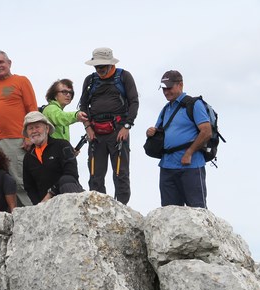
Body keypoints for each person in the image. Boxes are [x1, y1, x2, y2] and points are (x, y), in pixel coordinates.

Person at [79, 47, 139, 205]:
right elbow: (83, 106)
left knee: (120, 173)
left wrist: (127, 126)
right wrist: (88, 127)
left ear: (111, 64)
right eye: (96, 67)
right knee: (95, 174)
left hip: (118, 130)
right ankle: (99, 208)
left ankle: (122, 208)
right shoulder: (90, 80)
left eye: (102, 67)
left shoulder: (124, 77)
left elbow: (134, 102)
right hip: (95, 132)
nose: (99, 70)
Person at [146, 71, 212, 208]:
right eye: (163, 89)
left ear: (180, 85)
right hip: (167, 166)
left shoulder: (194, 104)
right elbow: (160, 132)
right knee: (169, 213)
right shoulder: (166, 109)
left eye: (169, 88)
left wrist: (189, 153)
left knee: (197, 210)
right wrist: (150, 132)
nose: (166, 92)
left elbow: (206, 131)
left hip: (191, 166)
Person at [0, 50, 37, 206]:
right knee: (1, 181)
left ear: (9, 63)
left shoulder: (21, 81)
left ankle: (32, 214)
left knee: (20, 180)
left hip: (16, 139)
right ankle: (14, 215)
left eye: (1, 62)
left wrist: (30, 136)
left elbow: (32, 109)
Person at [21, 112, 83, 205]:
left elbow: (71, 174)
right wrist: (39, 205)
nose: (34, 131)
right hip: (45, 205)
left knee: (67, 180)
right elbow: (29, 186)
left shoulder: (62, 145)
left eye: (37, 127)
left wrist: (51, 193)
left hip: (69, 195)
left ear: (47, 128)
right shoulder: (28, 157)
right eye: (30, 128)